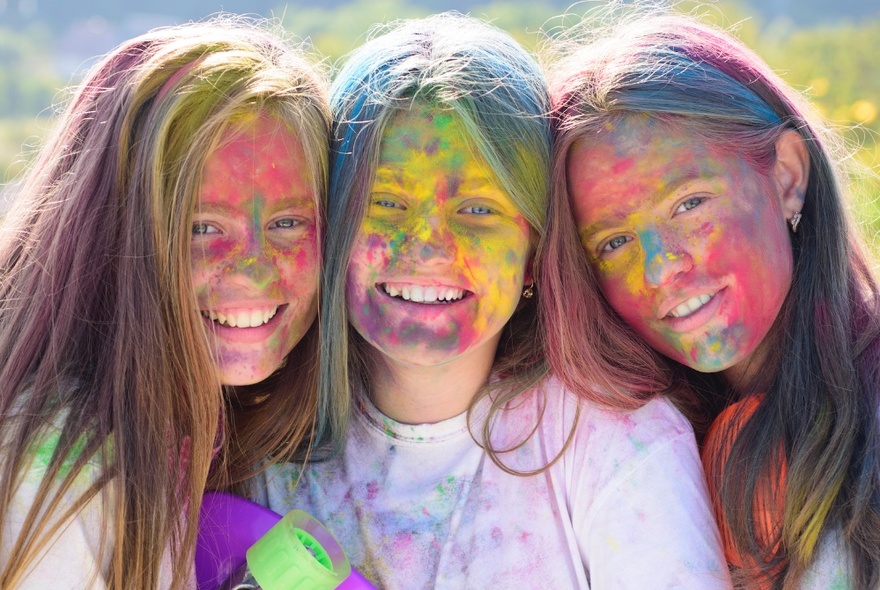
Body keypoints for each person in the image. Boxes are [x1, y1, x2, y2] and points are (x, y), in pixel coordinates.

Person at [257, 12, 730, 589]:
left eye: (477, 209)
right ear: (332, 224)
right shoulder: (263, 448)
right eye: (386, 203)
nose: (429, 247)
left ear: (535, 250)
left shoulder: (622, 448)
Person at [544, 5, 880, 589]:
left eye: (689, 204)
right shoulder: (638, 456)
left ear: (786, 179)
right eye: (615, 241)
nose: (658, 267)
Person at [0, 16, 333, 589]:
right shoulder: (59, 477)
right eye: (202, 227)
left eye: (287, 223)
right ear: (111, 236)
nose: (253, 269)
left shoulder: (193, 426)